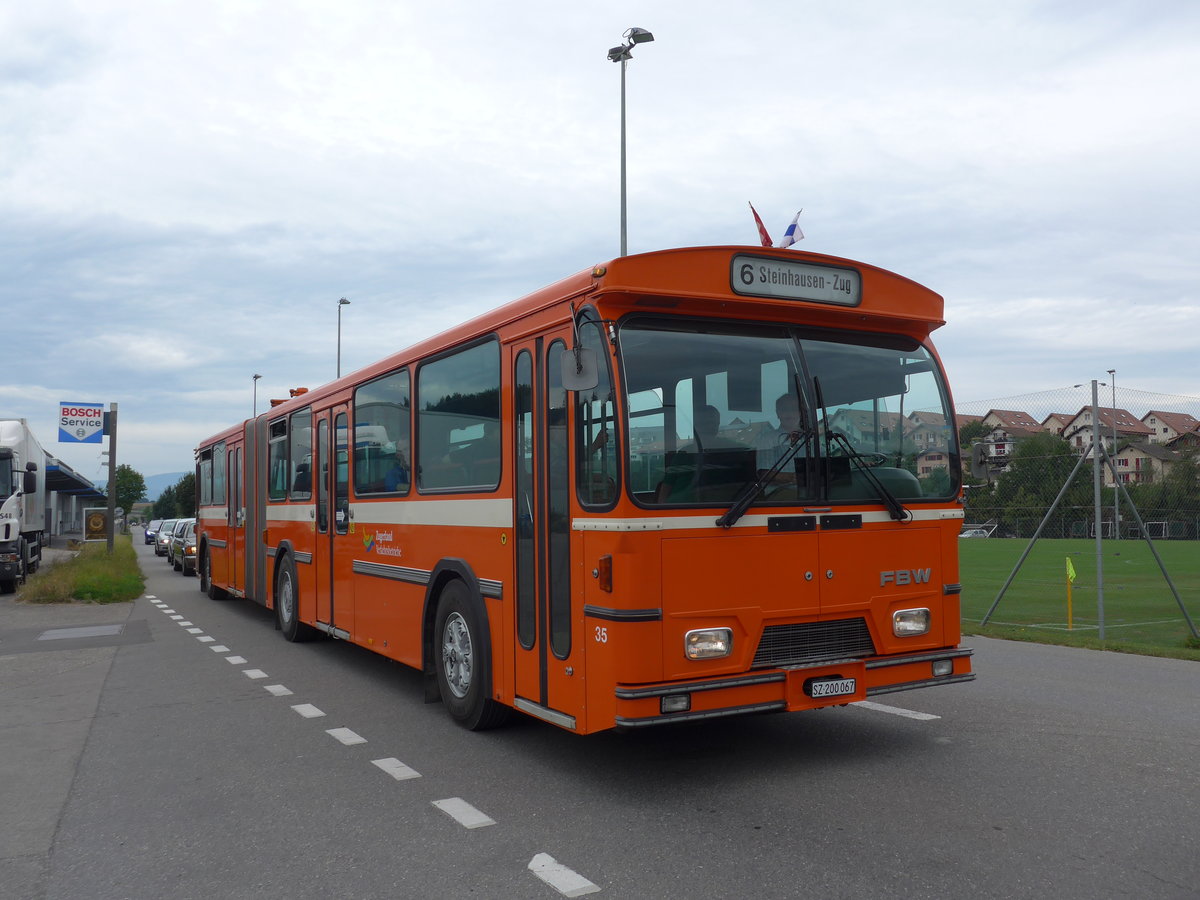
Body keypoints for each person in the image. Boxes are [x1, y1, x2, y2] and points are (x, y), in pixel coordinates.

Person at [755, 393, 808, 477]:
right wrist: (795, 479)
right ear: (778, 413)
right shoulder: (767, 440)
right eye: (785, 409)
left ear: (800, 413)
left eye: (793, 409)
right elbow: (765, 473)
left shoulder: (810, 438)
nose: (789, 413)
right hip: (780, 490)